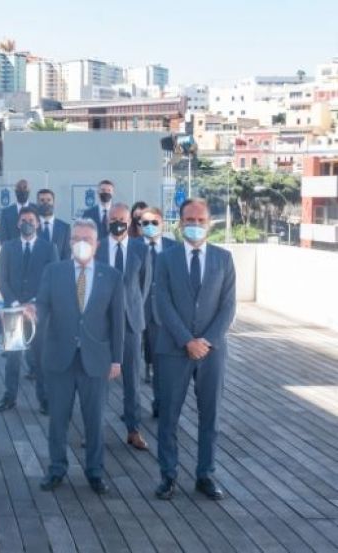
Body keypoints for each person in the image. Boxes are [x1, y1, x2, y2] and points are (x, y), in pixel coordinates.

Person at [154, 198, 236, 501]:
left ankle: (206, 474)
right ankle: (168, 475)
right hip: (174, 349)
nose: (195, 225)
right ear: (180, 222)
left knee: (209, 416)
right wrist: (187, 340)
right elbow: (162, 303)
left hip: (212, 352)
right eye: (190, 220)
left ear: (209, 223)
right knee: (168, 417)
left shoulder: (224, 259)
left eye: (201, 220)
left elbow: (228, 307)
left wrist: (205, 342)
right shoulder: (165, 259)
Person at [36, 218, 124, 495]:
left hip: (95, 359)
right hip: (60, 357)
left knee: (95, 420)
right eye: (76, 239)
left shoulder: (111, 276)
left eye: (87, 239)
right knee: (58, 419)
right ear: (69, 243)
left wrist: (117, 359)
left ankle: (95, 472)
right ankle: (56, 469)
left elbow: (117, 321)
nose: (81, 244)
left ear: (97, 244)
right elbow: (42, 307)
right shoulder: (53, 271)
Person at [96, 203, 150, 451]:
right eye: (113, 219)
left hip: (130, 324)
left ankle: (133, 429)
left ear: (130, 221)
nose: (117, 222)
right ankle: (94, 429)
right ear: (107, 221)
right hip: (102, 326)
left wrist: (133, 310)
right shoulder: (97, 248)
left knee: (132, 381)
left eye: (122, 219)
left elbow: (144, 287)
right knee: (97, 381)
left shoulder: (141, 249)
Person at [0, 206, 58, 413]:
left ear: (38, 223)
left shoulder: (49, 249)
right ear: (17, 223)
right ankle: (9, 397)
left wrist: (33, 303)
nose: (27, 223)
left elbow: (51, 280)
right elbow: (1, 279)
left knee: (40, 359)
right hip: (13, 311)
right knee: (13, 358)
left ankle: (46, 399)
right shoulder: (8, 247)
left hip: (37, 312)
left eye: (31, 219)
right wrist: (15, 304)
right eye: (23, 220)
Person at [135, 207, 177, 410]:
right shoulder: (131, 247)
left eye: (154, 222)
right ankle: (132, 409)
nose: (150, 227)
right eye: (145, 223)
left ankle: (159, 403)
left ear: (163, 223)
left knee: (161, 363)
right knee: (132, 364)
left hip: (161, 315)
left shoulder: (174, 248)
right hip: (134, 313)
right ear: (139, 226)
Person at [36, 188, 71, 260]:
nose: (46, 203)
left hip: (57, 270)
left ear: (54, 202)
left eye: (49, 200)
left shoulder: (65, 228)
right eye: (42, 200)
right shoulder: (32, 226)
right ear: (37, 203)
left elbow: (67, 254)